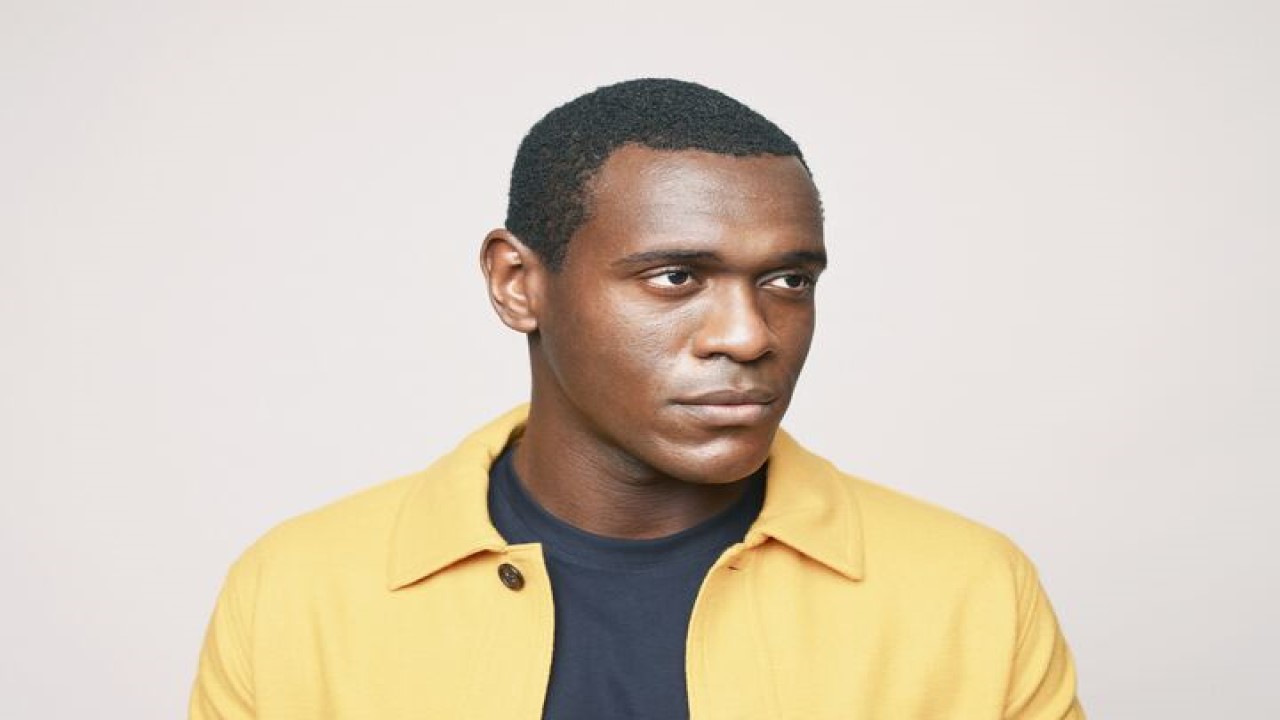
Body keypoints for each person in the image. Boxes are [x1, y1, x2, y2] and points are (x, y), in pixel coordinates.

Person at [190, 78, 1083, 719]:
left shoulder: (970, 591)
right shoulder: (299, 591)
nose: (749, 335)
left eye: (787, 280)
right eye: (675, 276)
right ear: (517, 283)